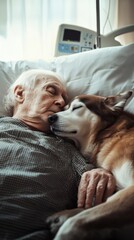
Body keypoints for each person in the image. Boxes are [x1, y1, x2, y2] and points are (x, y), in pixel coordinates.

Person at [0, 69, 116, 239]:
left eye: (65, 99)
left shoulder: (68, 149)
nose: (62, 102)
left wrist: (101, 173)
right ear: (20, 93)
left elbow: (95, 193)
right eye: (51, 91)